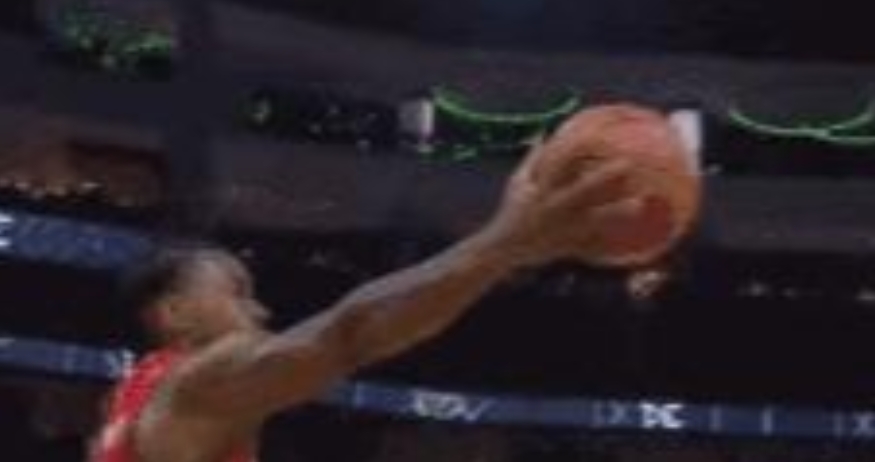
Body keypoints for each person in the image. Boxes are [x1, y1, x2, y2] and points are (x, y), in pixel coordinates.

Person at [91, 147, 644, 462]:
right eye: (238, 293)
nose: (260, 313)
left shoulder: (132, 396)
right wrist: (503, 243)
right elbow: (351, 333)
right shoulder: (201, 381)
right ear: (176, 314)